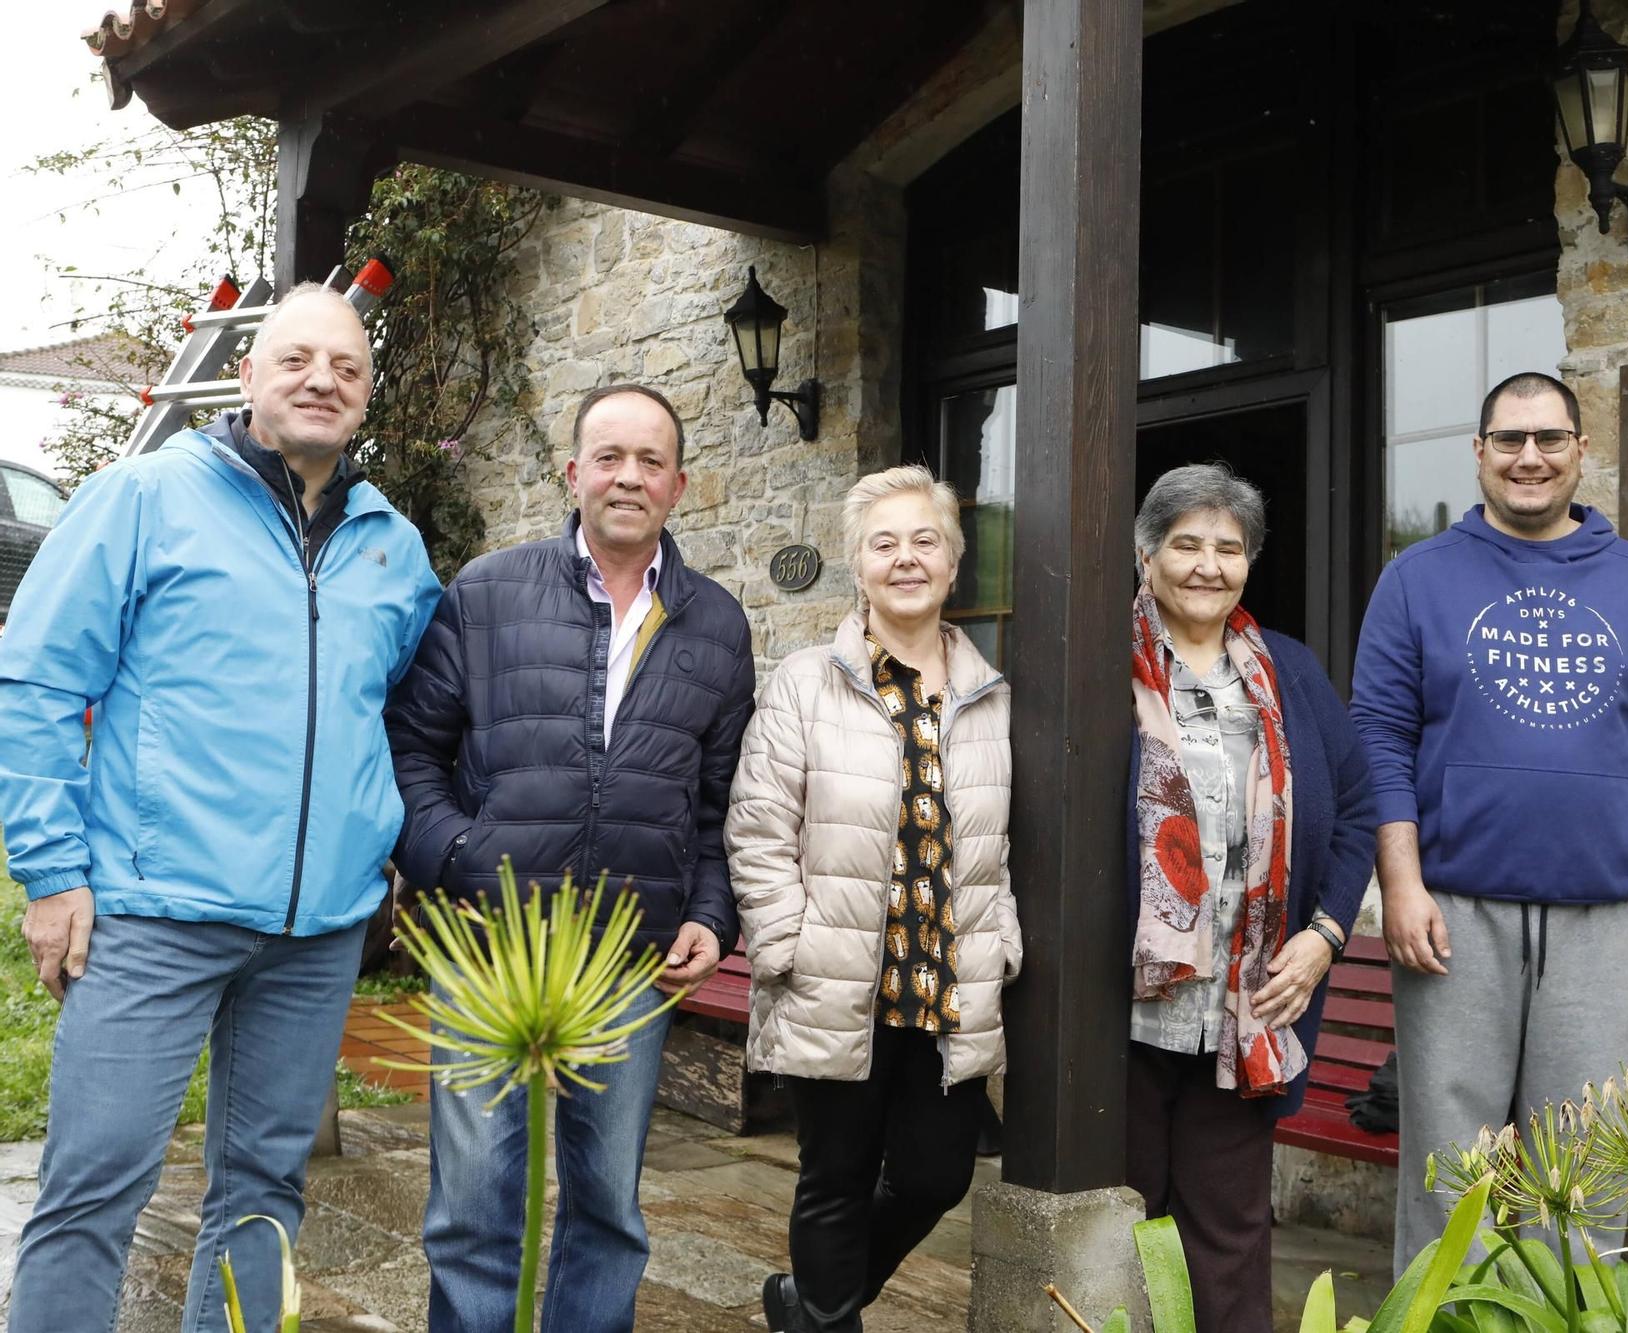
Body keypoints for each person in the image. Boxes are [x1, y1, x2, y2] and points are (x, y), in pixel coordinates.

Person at [0, 283, 441, 1332]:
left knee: (263, 1195)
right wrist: (54, 874)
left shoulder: (394, 549)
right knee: (94, 1191)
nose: (319, 379)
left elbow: (407, 718)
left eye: (344, 366)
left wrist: (381, 839)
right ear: (247, 377)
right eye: (295, 359)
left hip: (318, 931)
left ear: (367, 396)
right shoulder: (143, 497)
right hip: (155, 913)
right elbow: (39, 681)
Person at [385, 383, 755, 1332]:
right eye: (608, 457)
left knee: (608, 1209)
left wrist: (711, 915)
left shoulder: (717, 625)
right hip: (489, 948)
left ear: (680, 484)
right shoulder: (488, 591)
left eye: (649, 462)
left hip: (625, 959)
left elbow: (720, 804)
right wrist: (453, 852)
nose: (628, 476)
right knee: (471, 1209)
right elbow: (410, 748)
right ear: (573, 472)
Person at [1348, 371, 1628, 1273]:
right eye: (1510, 439)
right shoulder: (1416, 580)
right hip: (1452, 916)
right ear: (1479, 453)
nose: (1530, 457)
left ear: (1581, 452)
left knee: (1586, 1171)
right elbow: (1378, 741)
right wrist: (1400, 882)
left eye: (1549, 438)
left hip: (1599, 921)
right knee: (1452, 1176)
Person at [727, 464, 1021, 1333]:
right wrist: (787, 943)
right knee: (835, 1178)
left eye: (924, 540)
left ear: (954, 563)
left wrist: (999, 938)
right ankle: (825, 1316)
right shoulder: (805, 684)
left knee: (938, 1176)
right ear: (858, 564)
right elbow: (758, 829)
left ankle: (809, 1303)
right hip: (837, 977)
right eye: (884, 543)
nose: (905, 558)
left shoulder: (995, 697)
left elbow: (1009, 847)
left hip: (946, 985)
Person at [1125, 463, 1377, 1333]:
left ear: (1249, 563)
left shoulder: (1291, 674)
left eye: (1228, 548)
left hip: (1249, 1004)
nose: (1207, 564)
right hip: (1119, 1007)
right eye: (1186, 543)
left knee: (1230, 1235)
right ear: (1146, 553)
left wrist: (1324, 936)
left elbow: (1357, 809)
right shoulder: (1096, 667)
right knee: (1124, 1219)